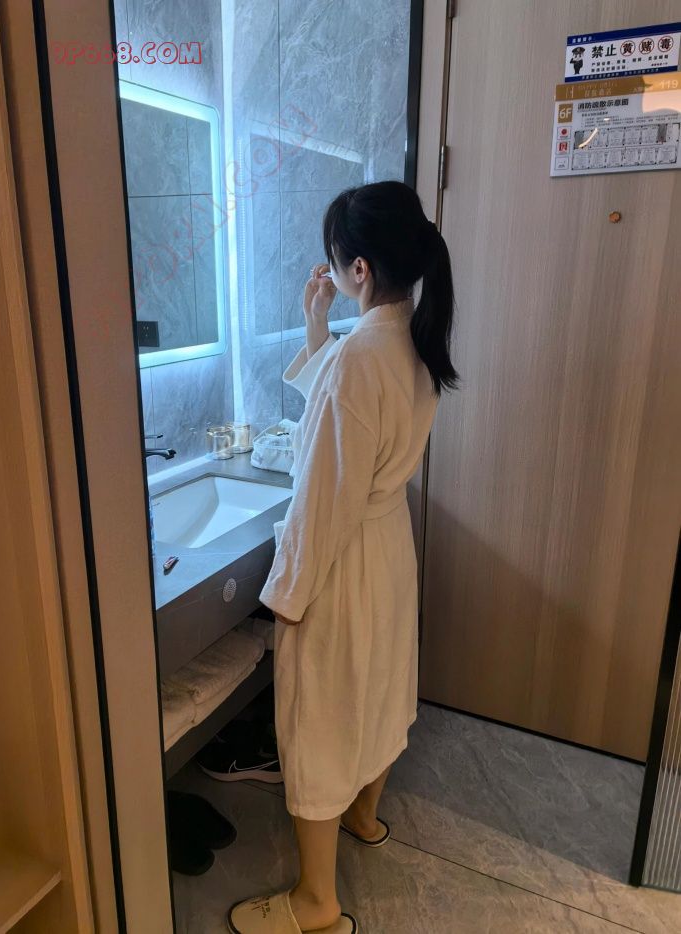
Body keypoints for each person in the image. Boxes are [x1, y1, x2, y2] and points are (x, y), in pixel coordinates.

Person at [227, 181, 458, 934]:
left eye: (336, 262)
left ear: (359, 268)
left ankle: (316, 903)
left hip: (345, 558)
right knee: (381, 689)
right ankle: (364, 815)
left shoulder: (363, 357)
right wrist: (315, 324)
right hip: (386, 551)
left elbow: (323, 496)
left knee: (319, 715)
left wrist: (287, 596)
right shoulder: (411, 340)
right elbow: (349, 415)